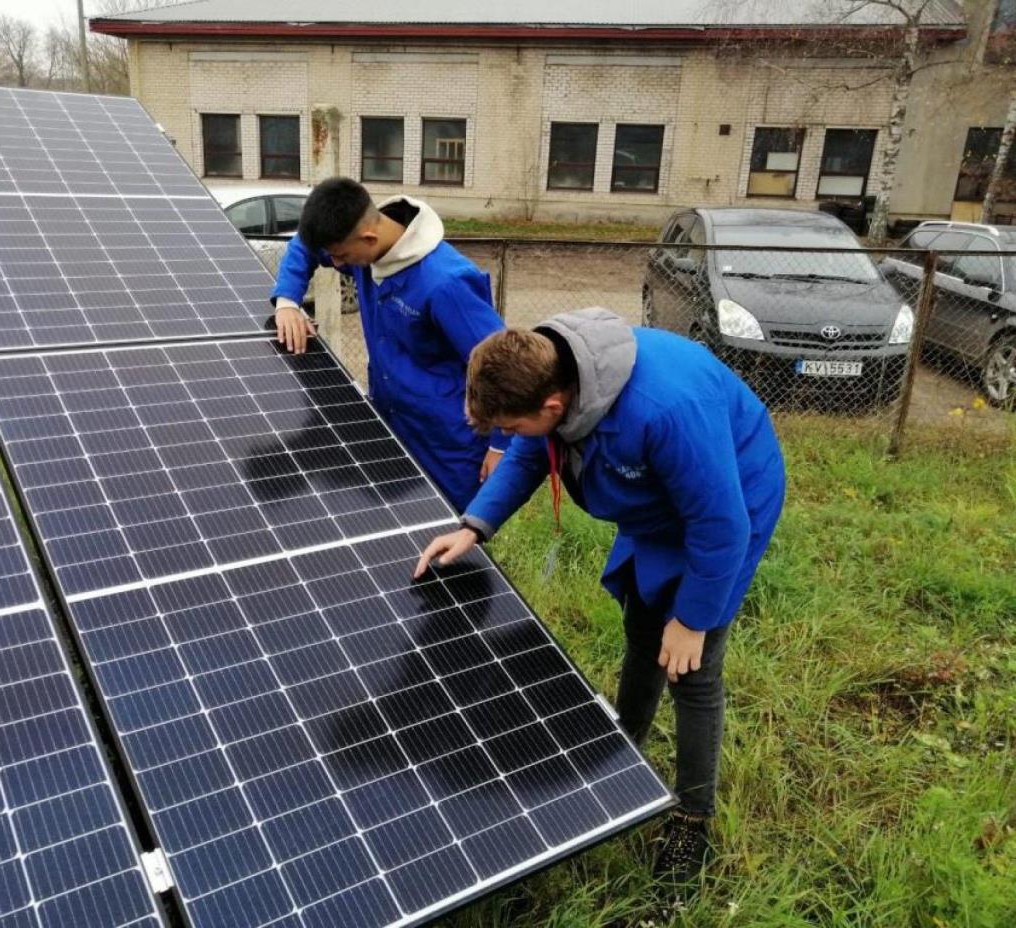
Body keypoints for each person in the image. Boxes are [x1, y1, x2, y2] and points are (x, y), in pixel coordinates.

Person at [414, 308, 785, 884]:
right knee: (643, 630)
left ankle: (692, 815)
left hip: (729, 505)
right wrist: (475, 525)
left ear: (554, 408)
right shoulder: (553, 374)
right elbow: (532, 452)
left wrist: (693, 619)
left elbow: (721, 525)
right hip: (658, 509)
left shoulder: (665, 410)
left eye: (511, 426)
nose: (509, 438)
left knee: (693, 667)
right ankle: (625, 745)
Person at [270, 177, 509, 512]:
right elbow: (306, 245)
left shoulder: (444, 283)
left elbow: (503, 365)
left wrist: (501, 446)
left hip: (448, 445)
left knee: (442, 534)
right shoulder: (367, 250)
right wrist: (287, 301)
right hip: (390, 425)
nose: (336, 264)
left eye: (340, 256)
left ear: (369, 238)